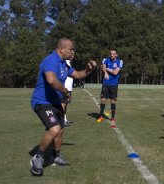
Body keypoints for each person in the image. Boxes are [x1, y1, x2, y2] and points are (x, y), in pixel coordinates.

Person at [30, 37, 97, 176]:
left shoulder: (64, 64)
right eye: (71, 49)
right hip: (42, 102)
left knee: (60, 130)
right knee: (54, 129)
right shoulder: (51, 60)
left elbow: (78, 74)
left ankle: (56, 156)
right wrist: (65, 91)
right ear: (62, 49)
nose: (73, 52)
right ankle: (38, 157)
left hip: (55, 102)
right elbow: (51, 80)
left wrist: (89, 69)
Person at [96, 48, 123, 128]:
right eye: (111, 53)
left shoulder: (119, 62)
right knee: (103, 100)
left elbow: (115, 72)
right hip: (106, 83)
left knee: (112, 101)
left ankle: (113, 118)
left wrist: (106, 70)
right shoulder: (105, 60)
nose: (112, 55)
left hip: (114, 84)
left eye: (114, 54)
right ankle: (101, 116)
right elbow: (102, 67)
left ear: (116, 55)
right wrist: (104, 70)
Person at [61, 58, 74, 127]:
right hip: (65, 87)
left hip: (69, 87)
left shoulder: (68, 62)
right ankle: (61, 120)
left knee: (66, 103)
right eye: (71, 54)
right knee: (63, 103)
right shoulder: (64, 62)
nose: (72, 56)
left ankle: (65, 119)